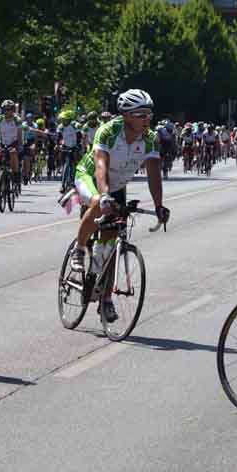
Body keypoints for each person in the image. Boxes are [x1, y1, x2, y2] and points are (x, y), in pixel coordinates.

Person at [71, 89, 170, 322]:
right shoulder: (108, 131)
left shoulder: (150, 139)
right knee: (98, 203)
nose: (147, 119)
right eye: (141, 114)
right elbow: (100, 166)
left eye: (149, 114)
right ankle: (79, 248)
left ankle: (105, 300)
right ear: (126, 115)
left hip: (117, 186)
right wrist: (104, 195)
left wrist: (159, 206)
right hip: (90, 177)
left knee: (112, 242)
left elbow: (154, 174)